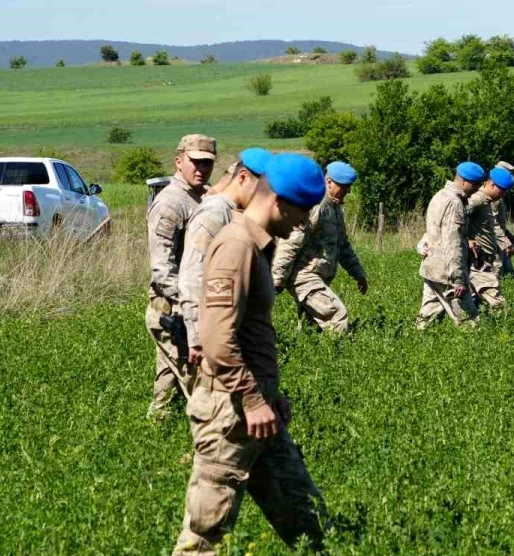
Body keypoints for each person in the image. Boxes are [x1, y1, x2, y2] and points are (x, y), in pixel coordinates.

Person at [168, 153, 328, 556]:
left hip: (257, 408)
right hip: (231, 409)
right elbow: (218, 339)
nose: (305, 223)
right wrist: (253, 399)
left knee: (301, 509)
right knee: (207, 526)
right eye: (303, 211)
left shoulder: (257, 245)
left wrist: (270, 397)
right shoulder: (236, 245)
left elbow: (251, 334)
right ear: (278, 202)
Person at [146, 134, 217, 420]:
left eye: (207, 163)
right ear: (178, 161)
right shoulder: (171, 203)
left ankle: (156, 430)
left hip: (185, 305)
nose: (201, 169)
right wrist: (192, 301)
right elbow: (161, 268)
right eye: (195, 162)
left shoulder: (203, 197)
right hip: (172, 307)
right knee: (199, 383)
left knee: (168, 378)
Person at [178, 148, 270, 366]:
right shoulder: (216, 212)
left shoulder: (234, 213)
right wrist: (198, 338)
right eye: (262, 190)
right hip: (206, 333)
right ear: (243, 177)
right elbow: (193, 274)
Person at [271, 161, 367, 334]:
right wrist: (277, 278)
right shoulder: (317, 205)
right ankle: (342, 357)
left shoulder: (334, 207)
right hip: (305, 277)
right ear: (329, 181)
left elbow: (343, 246)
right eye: (343, 186)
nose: (348, 191)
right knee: (336, 316)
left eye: (349, 186)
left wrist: (358, 274)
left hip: (318, 276)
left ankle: (305, 356)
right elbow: (291, 241)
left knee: (312, 330)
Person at [417, 162, 485, 329]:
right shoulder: (454, 203)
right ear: (463, 181)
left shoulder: (439, 195)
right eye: (475, 184)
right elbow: (452, 243)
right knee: (470, 322)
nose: (477, 188)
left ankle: (417, 346)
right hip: (446, 271)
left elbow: (433, 232)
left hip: (432, 266)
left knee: (428, 318)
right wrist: (458, 279)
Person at [466, 165, 514, 311]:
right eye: (502, 189)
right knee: (498, 302)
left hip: (485, 258)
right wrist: (468, 239)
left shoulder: (486, 201)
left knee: (472, 301)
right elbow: (458, 218)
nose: (504, 194)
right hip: (477, 260)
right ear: (491, 184)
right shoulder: (477, 200)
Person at [492, 160, 514, 277]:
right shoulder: (494, 196)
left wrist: (509, 235)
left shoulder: (498, 196)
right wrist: (506, 242)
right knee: (496, 272)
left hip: (500, 239)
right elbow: (493, 223)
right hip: (494, 241)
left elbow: (499, 223)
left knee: (509, 274)